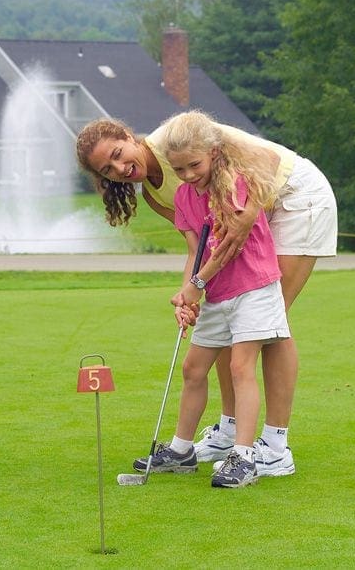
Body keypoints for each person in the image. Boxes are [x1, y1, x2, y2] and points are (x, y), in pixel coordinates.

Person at [77, 110, 337, 475]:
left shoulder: (179, 136)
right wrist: (190, 292)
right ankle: (229, 433)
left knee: (269, 323)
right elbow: (198, 246)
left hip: (295, 196)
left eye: (118, 153)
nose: (119, 168)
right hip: (250, 221)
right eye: (107, 169)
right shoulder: (157, 195)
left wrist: (247, 215)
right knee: (232, 327)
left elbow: (267, 160)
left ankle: (276, 447)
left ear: (128, 135)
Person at [131, 113, 290, 487]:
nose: (187, 175)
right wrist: (186, 296)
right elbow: (195, 251)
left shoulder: (234, 184)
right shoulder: (185, 196)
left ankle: (244, 457)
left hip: (254, 287)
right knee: (193, 369)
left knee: (239, 367)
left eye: (194, 165)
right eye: (179, 169)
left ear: (214, 153)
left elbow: (224, 250)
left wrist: (196, 285)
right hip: (218, 293)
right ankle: (182, 450)